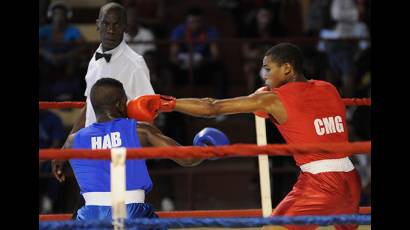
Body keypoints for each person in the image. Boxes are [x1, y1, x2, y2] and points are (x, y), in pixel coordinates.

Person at [128, 43, 361, 230]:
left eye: (268, 69)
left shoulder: (272, 99)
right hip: (350, 178)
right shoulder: (329, 88)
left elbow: (213, 107)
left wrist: (168, 103)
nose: (264, 75)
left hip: (320, 183)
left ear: (287, 69)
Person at [57, 78, 229, 221]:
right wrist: (206, 147)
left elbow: (59, 160)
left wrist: (58, 162)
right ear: (120, 103)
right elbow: (187, 158)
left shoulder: (73, 141)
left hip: (90, 216)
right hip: (131, 213)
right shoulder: (140, 131)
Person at [52, 2, 155, 178]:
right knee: (93, 202)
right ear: (98, 24)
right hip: (92, 151)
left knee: (119, 204)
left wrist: (127, 149)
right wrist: (64, 151)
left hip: (119, 153)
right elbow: (88, 108)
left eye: (116, 25)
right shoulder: (94, 59)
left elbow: (149, 114)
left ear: (125, 27)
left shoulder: (135, 64)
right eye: (106, 24)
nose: (111, 30)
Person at [39, 0, 85, 101]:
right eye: (56, 14)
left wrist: (66, 56)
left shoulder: (73, 30)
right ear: (51, 15)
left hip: (67, 67)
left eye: (62, 14)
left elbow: (82, 47)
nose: (59, 17)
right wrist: (48, 55)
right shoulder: (44, 30)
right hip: (47, 67)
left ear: (67, 16)